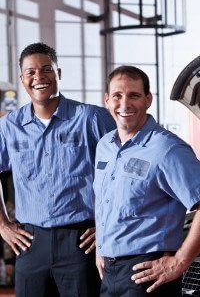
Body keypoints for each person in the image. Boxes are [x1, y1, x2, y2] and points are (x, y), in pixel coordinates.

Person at [0, 42, 115, 297]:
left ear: (58, 73)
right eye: (30, 72)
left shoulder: (91, 119)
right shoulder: (9, 126)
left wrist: (108, 225)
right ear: (22, 79)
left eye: (46, 69)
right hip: (30, 244)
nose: (38, 77)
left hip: (81, 243)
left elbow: (123, 172)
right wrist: (3, 225)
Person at [94, 65, 200, 297]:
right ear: (107, 100)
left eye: (134, 95)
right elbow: (103, 200)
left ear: (148, 99)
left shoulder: (167, 149)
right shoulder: (104, 147)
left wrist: (180, 261)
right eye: (117, 96)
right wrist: (101, 249)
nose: (124, 104)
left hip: (147, 275)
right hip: (108, 273)